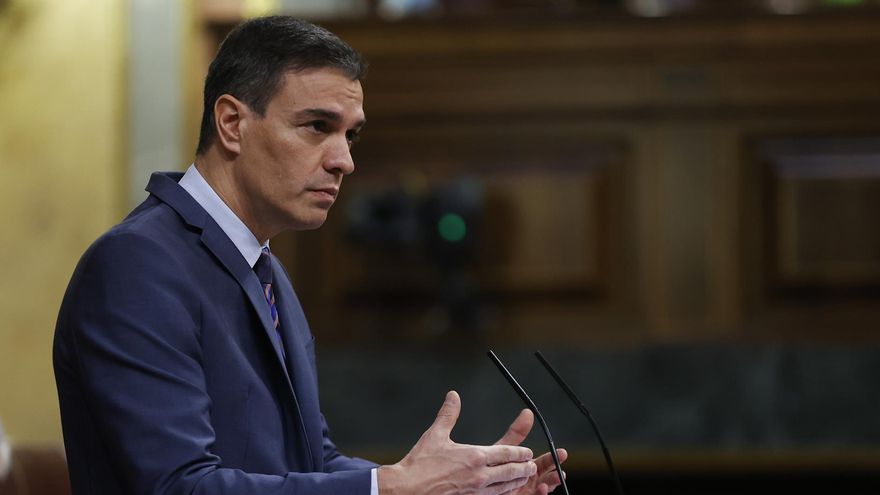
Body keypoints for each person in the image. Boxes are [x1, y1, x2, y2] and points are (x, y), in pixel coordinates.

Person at [53, 16, 566, 495]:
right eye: (318, 126)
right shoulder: (135, 266)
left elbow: (312, 462)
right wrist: (391, 487)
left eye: (350, 134)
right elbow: (179, 486)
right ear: (231, 123)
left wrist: (450, 486)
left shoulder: (265, 270)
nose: (344, 160)